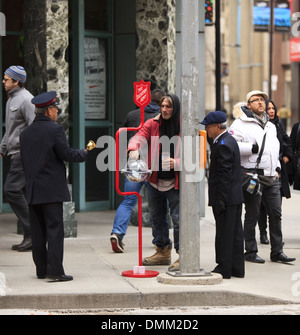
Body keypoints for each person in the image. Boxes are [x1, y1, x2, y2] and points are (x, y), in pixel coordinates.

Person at [20, 91, 88, 281]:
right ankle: (55, 271)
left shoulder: (25, 133)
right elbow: (66, 154)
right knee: (54, 230)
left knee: (38, 231)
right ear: (49, 111)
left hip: (33, 190)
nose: (57, 112)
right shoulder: (55, 130)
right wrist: (84, 153)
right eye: (55, 108)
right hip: (51, 190)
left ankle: (41, 270)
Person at [230, 90, 295, 264]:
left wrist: (278, 168)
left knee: (276, 214)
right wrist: (252, 148)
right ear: (248, 104)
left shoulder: (271, 125)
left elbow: (276, 148)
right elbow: (231, 145)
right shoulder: (239, 124)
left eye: (262, 100)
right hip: (253, 176)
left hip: (272, 176)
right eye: (256, 100)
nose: (260, 103)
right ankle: (250, 251)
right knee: (252, 215)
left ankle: (277, 251)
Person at [127, 94, 181, 271]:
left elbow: (196, 153)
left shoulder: (183, 126)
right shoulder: (153, 123)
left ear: (175, 108)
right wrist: (133, 149)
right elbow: (139, 136)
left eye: (169, 106)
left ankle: (184, 255)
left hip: (176, 182)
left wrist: (177, 163)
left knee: (178, 218)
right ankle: (162, 251)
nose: (165, 109)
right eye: (163, 106)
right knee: (157, 217)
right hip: (154, 180)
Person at [110, 89, 166, 252]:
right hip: (154, 167)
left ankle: (117, 233)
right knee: (158, 203)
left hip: (134, 165)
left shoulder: (132, 115)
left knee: (128, 201)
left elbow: (121, 137)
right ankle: (159, 240)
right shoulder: (162, 118)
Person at [201, 111, 244, 279]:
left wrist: (220, 199)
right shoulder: (227, 140)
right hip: (233, 197)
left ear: (217, 127)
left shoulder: (223, 144)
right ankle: (236, 268)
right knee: (234, 234)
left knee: (225, 233)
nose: (206, 130)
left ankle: (225, 268)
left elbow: (224, 175)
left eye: (208, 127)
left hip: (226, 197)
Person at [0, 65, 35, 251]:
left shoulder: (26, 100)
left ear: (16, 81)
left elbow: (33, 128)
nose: (3, 82)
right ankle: (33, 234)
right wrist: (2, 149)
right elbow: (10, 130)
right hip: (14, 154)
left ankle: (32, 233)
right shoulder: (11, 100)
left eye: (6, 79)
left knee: (11, 190)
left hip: (23, 155)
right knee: (21, 193)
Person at [258, 100, 293, 244]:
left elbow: (287, 142)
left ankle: (276, 240)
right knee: (261, 207)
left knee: (276, 209)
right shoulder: (260, 126)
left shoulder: (278, 125)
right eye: (268, 108)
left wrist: (286, 157)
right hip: (262, 172)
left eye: (273, 108)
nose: (271, 111)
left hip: (278, 172)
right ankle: (263, 233)